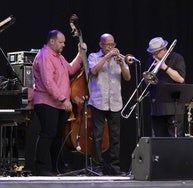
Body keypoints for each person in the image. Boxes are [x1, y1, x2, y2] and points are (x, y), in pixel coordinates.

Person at [32, 29, 87, 176]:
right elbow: (48, 83)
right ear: (52, 41)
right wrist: (63, 99)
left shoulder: (58, 57)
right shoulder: (45, 56)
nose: (63, 45)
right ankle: (41, 168)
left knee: (57, 137)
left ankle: (56, 167)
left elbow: (70, 70)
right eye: (61, 42)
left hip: (58, 104)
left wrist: (80, 55)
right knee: (48, 134)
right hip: (46, 102)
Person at [87, 33, 131, 175]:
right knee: (97, 136)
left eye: (113, 45)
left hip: (115, 102)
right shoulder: (93, 56)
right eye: (107, 45)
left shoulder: (120, 58)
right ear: (101, 44)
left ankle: (115, 167)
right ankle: (97, 167)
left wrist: (122, 64)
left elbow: (127, 77)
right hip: (98, 102)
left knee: (115, 137)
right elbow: (93, 71)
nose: (110, 47)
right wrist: (106, 57)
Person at [146, 37, 186, 137]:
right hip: (157, 107)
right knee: (159, 143)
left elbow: (181, 79)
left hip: (174, 107)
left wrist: (165, 67)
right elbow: (148, 83)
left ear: (164, 49)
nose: (154, 56)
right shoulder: (150, 60)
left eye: (156, 53)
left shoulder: (177, 58)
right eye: (152, 53)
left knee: (174, 143)